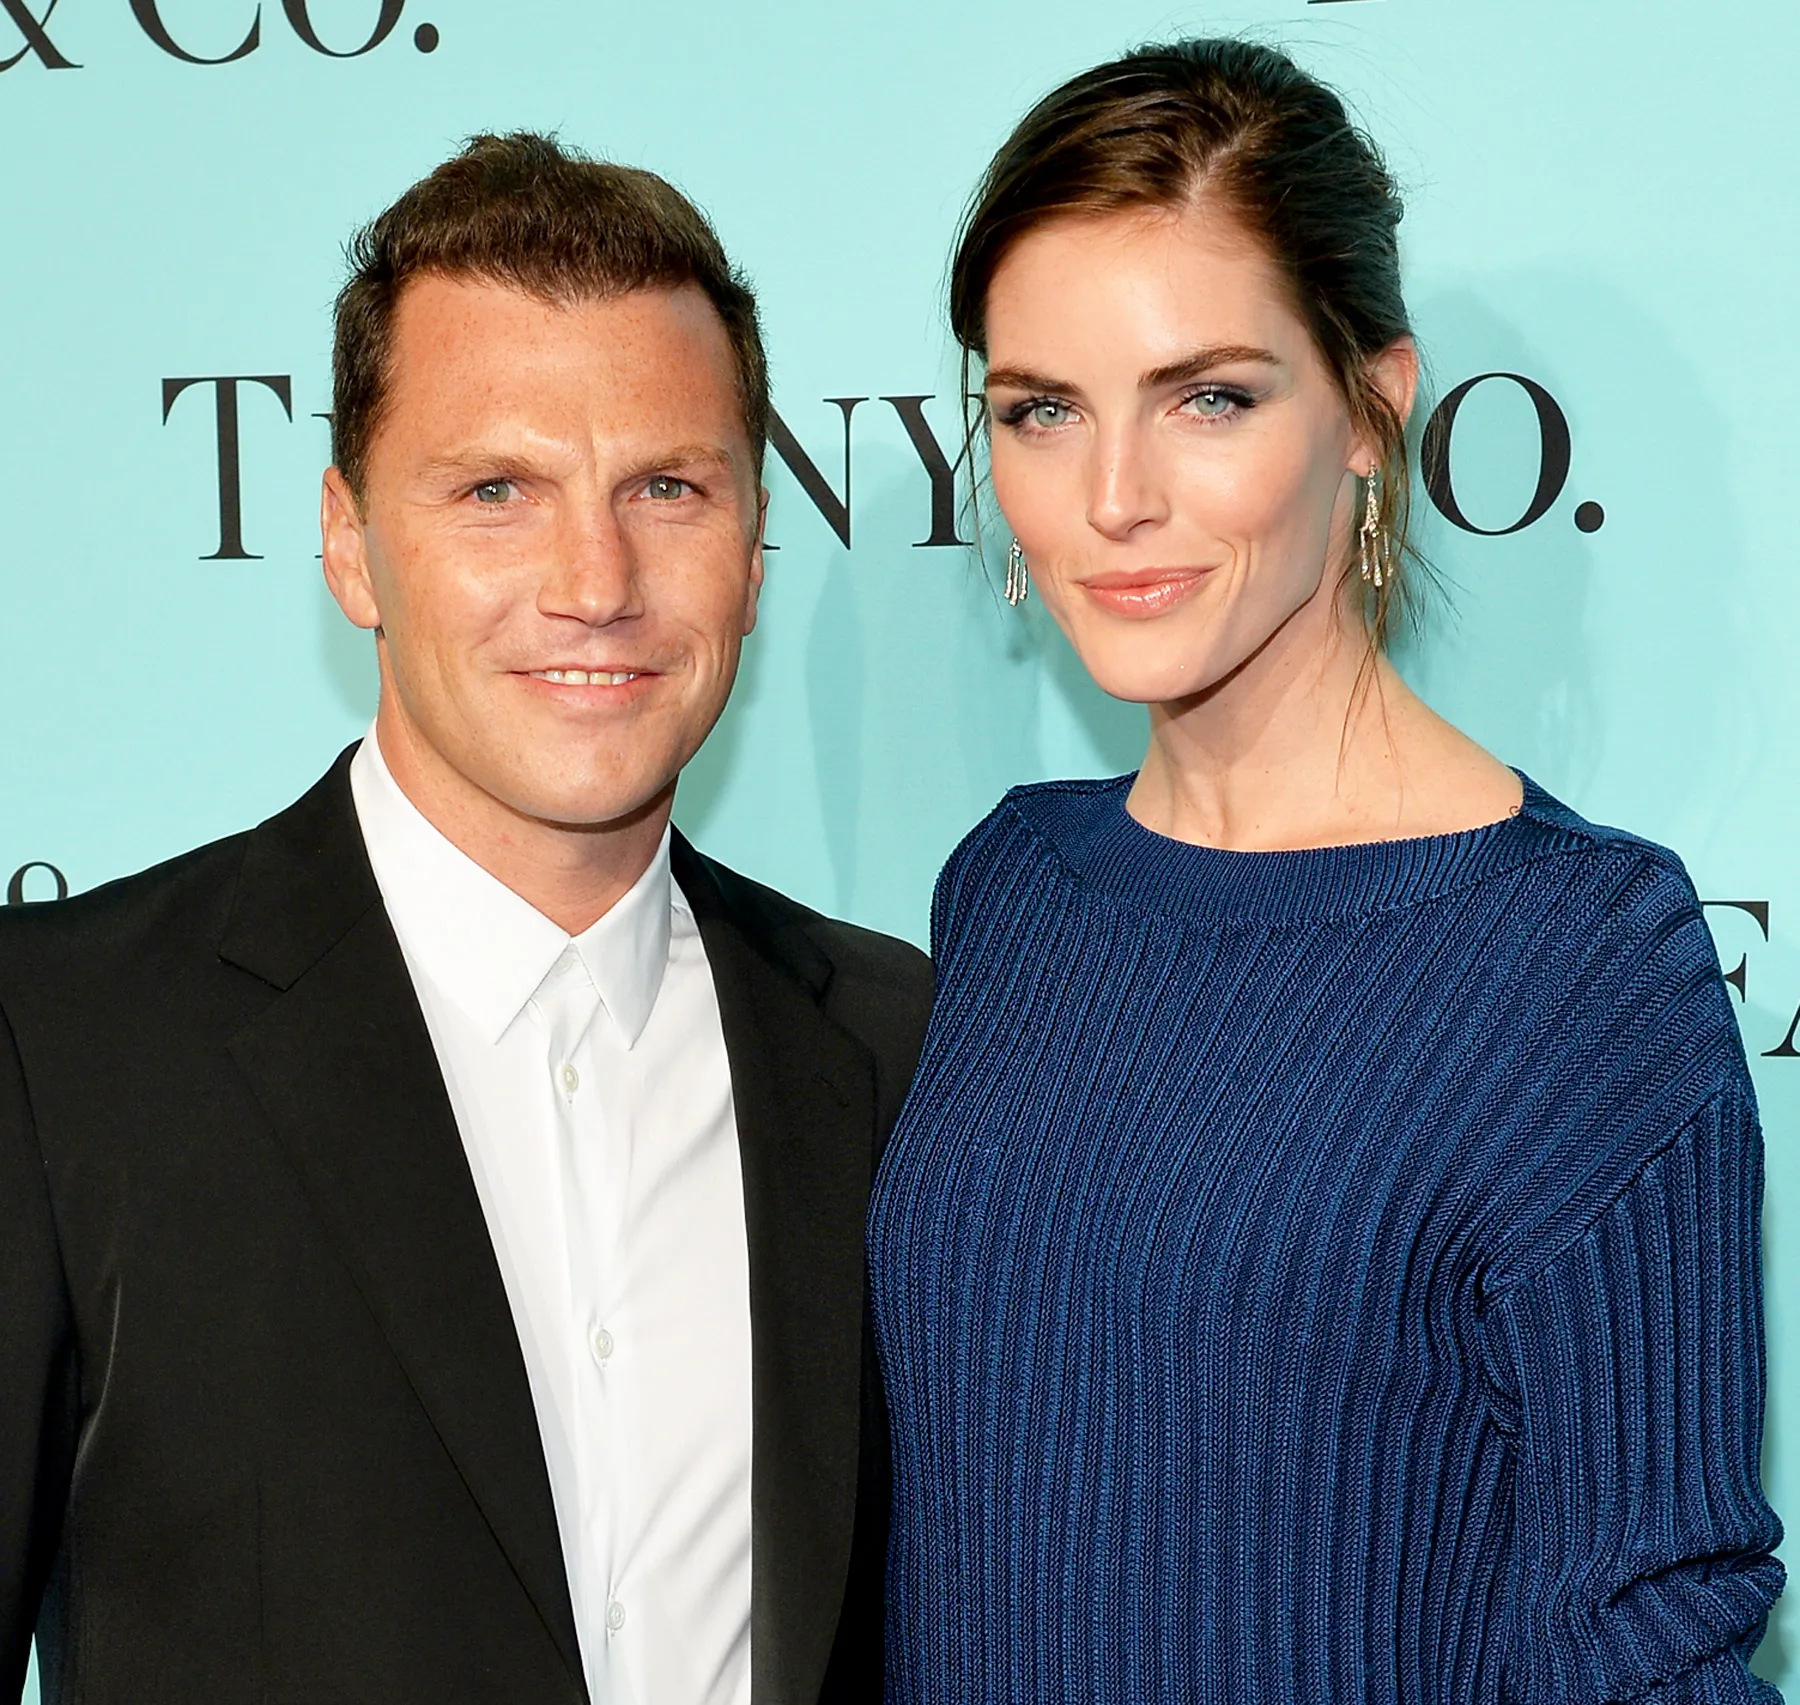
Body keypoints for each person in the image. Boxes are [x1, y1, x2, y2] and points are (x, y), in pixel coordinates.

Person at [869, 39, 1784, 1703]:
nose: (1114, 499)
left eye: (1208, 397)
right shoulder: (1010, 889)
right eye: (1043, 411)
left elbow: (1648, 1647)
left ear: (1372, 406)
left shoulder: (1580, 964)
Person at [0, 133, 931, 1705]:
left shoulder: (894, 1046)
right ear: (349, 543)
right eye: (499, 490)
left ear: (755, 547)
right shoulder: (58, 1046)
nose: (596, 579)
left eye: (668, 487)